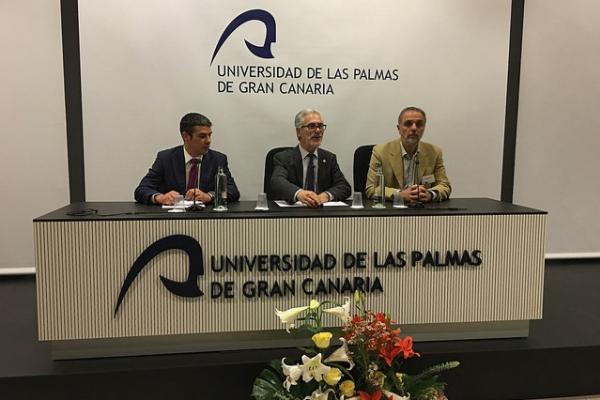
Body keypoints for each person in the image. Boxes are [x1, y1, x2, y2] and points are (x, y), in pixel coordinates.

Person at [134, 113, 240, 205]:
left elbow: (233, 191)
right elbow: (141, 190)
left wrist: (209, 196)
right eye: (202, 136)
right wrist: (160, 198)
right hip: (172, 220)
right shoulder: (166, 158)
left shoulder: (218, 159)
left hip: (206, 220)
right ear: (186, 136)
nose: (208, 141)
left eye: (209, 135)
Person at [365, 106, 450, 203]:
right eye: (408, 124)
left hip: (423, 211)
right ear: (399, 128)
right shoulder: (380, 151)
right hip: (393, 210)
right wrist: (399, 194)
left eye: (419, 124)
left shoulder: (434, 152)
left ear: (424, 128)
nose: (414, 128)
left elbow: (444, 185)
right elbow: (371, 189)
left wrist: (430, 194)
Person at [269, 109, 351, 207]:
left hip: (322, 215)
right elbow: (277, 182)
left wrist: (325, 196)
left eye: (320, 126)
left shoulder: (329, 158)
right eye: (311, 126)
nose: (317, 131)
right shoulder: (283, 158)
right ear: (298, 131)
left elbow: (344, 186)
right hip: (292, 216)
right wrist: (299, 193)